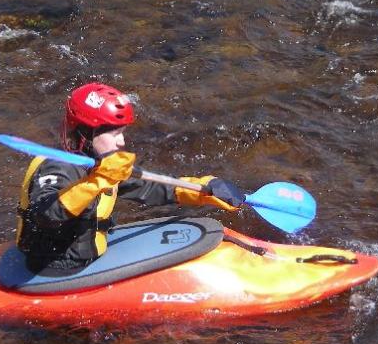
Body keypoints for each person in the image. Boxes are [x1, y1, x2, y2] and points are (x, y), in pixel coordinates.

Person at [15, 82, 245, 274]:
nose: (121, 142)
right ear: (86, 133)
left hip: (86, 257)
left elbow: (150, 187)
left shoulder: (102, 164)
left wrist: (204, 189)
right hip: (53, 268)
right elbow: (45, 215)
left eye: (122, 133)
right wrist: (97, 182)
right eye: (114, 134)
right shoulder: (57, 167)